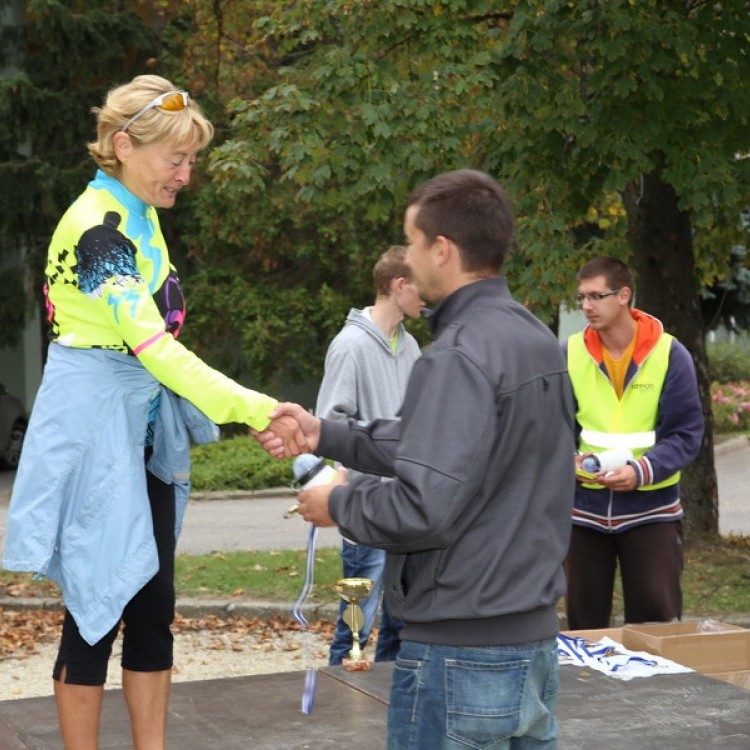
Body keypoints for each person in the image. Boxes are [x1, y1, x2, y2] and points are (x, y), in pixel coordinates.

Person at [1, 75, 303, 750]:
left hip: (141, 428)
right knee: (94, 610)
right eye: (176, 158)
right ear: (122, 146)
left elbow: (156, 353)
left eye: (191, 159)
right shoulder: (97, 229)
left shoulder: (140, 213)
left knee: (152, 609)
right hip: (95, 432)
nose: (186, 174)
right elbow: (155, 348)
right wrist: (253, 408)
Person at [258, 169, 576, 749]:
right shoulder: (535, 338)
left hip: (461, 652)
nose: (405, 256)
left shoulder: (456, 355)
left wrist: (340, 503)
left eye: (411, 242)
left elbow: (423, 505)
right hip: (530, 642)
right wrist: (324, 433)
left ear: (442, 251)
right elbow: (440, 445)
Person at [564, 256, 703, 631]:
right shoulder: (571, 352)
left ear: (623, 295)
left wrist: (641, 471)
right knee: (584, 629)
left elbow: (686, 434)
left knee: (656, 629)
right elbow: (554, 427)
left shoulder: (670, 354)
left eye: (596, 296)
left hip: (651, 512)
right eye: (582, 298)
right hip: (585, 513)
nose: (587, 306)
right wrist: (570, 461)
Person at [316, 245, 424, 666]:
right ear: (399, 285)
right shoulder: (350, 346)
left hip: (408, 509)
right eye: (419, 285)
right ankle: (337, 705)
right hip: (365, 510)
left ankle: (391, 707)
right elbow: (328, 425)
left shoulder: (412, 347)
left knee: (401, 621)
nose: (427, 294)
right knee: (355, 623)